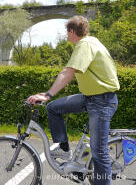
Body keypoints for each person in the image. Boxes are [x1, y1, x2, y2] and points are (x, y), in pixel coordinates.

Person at [27, 15, 119, 185]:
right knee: (54, 108)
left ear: (71, 31)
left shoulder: (85, 44)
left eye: (67, 32)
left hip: (102, 101)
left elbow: (68, 73)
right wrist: (48, 95)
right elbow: (67, 70)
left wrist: (47, 95)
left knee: (99, 153)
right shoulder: (90, 42)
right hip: (90, 97)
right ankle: (64, 150)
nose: (67, 36)